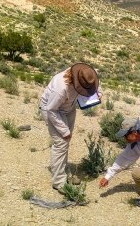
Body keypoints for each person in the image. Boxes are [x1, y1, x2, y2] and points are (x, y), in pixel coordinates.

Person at [40, 62, 102, 194]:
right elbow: (51, 109)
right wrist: (64, 130)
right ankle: (59, 182)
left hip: (69, 108)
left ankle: (63, 171)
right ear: (76, 81)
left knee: (66, 142)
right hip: (53, 110)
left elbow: (94, 81)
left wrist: (98, 93)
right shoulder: (61, 88)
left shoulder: (86, 74)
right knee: (61, 142)